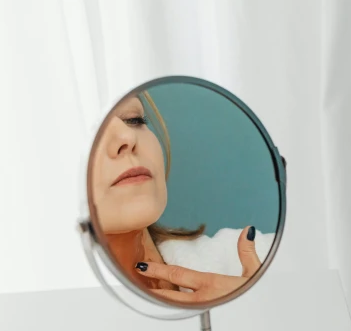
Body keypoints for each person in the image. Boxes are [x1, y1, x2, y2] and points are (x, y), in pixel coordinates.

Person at [90, 92, 274, 303]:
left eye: (134, 119)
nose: (128, 137)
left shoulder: (259, 260)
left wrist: (265, 305)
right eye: (92, 133)